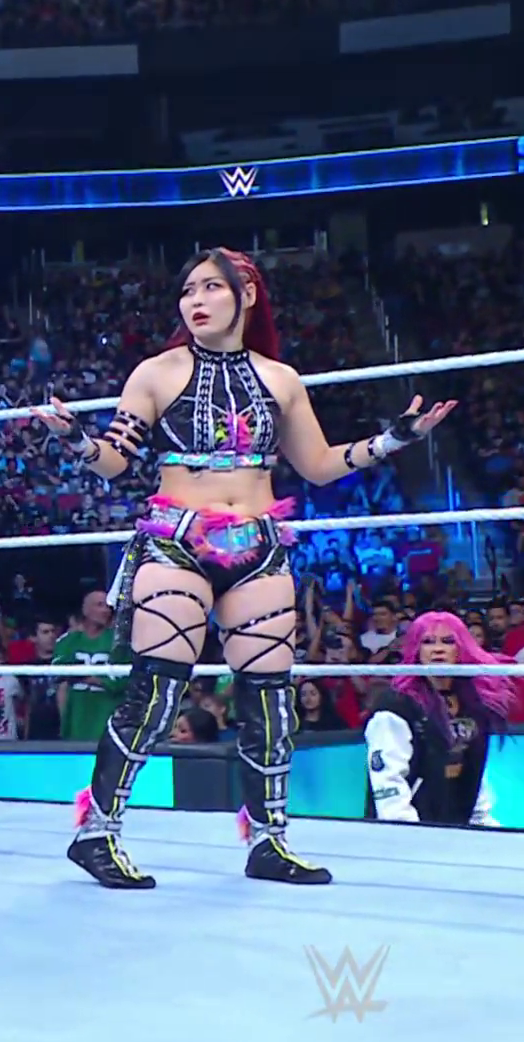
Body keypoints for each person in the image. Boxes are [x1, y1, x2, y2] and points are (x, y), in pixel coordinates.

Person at [31, 247, 455, 889]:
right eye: (187, 290)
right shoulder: (156, 372)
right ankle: (97, 831)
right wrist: (74, 439)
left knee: (271, 699)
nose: (195, 301)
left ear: (247, 294)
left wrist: (394, 439)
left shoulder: (281, 379)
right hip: (177, 539)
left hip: (258, 542)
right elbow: (116, 460)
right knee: (156, 691)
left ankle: (268, 840)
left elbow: (318, 465)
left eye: (211, 287)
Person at [364, 612, 512, 826]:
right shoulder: (396, 707)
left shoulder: (472, 704)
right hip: (408, 828)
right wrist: (410, 833)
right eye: (428, 642)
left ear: (461, 648)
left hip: (454, 823)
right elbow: (389, 784)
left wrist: (483, 826)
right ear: (416, 649)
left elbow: (475, 770)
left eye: (448, 641)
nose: (438, 649)